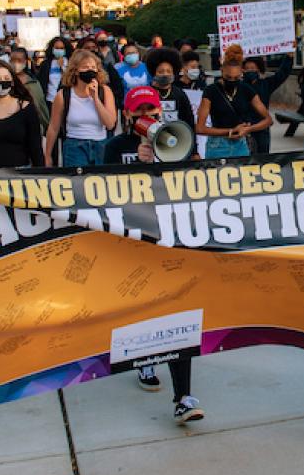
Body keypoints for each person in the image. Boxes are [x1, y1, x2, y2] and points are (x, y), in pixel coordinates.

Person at [101, 86, 206, 424]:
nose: (150, 115)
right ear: (129, 116)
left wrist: (163, 161)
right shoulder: (115, 148)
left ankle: (183, 396)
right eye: (142, 110)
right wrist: (137, 169)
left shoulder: (176, 140)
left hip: (170, 235)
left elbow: (193, 182)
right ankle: (145, 357)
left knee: (179, 309)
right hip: (132, 239)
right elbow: (103, 192)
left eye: (154, 110)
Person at [196, 44, 273, 158]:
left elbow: (268, 120)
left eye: (237, 78)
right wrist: (230, 131)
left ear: (242, 73)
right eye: (228, 78)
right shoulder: (211, 91)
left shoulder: (246, 90)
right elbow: (200, 128)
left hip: (240, 145)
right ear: (221, 71)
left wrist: (248, 129)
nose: (232, 81)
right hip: (217, 146)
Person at [44, 49, 117, 167]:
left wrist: (96, 99)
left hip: (101, 145)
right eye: (85, 67)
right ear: (76, 71)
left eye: (93, 67)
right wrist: (47, 155)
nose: (90, 70)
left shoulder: (105, 91)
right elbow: (53, 127)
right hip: (74, 146)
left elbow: (110, 124)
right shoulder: (63, 95)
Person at [243, 51, 293, 153]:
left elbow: (282, 74)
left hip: (262, 129)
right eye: (246, 69)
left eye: (252, 68)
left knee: (263, 158)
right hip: (244, 129)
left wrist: (289, 57)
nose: (249, 71)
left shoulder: (265, 84)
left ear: (258, 70)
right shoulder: (238, 86)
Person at [144, 47, 195, 136]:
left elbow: (189, 121)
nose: (165, 74)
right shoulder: (147, 94)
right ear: (154, 72)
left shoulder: (180, 94)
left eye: (168, 71)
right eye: (161, 71)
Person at [78, 36, 124, 116]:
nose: (91, 50)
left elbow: (117, 88)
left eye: (94, 47)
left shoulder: (107, 67)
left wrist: (113, 104)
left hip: (104, 107)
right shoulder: (74, 69)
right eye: (87, 48)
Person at [10, 47, 50, 131]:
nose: (15, 63)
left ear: (25, 61)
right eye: (12, 60)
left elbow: (40, 105)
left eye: (19, 60)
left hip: (32, 126)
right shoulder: (6, 80)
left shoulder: (33, 83)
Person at [36, 37, 73, 111]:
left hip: (67, 99)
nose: (59, 50)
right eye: (57, 48)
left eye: (61, 48)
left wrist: (62, 68)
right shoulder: (46, 64)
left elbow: (70, 80)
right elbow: (41, 81)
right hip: (50, 100)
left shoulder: (71, 63)